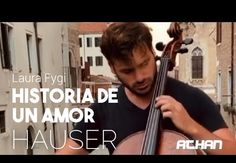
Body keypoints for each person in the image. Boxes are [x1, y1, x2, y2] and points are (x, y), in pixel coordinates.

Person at [57, 22, 236, 155]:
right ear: (112, 67)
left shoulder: (192, 98)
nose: (140, 77)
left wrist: (192, 127)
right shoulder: (104, 108)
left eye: (144, 63)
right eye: (128, 70)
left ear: (152, 52)